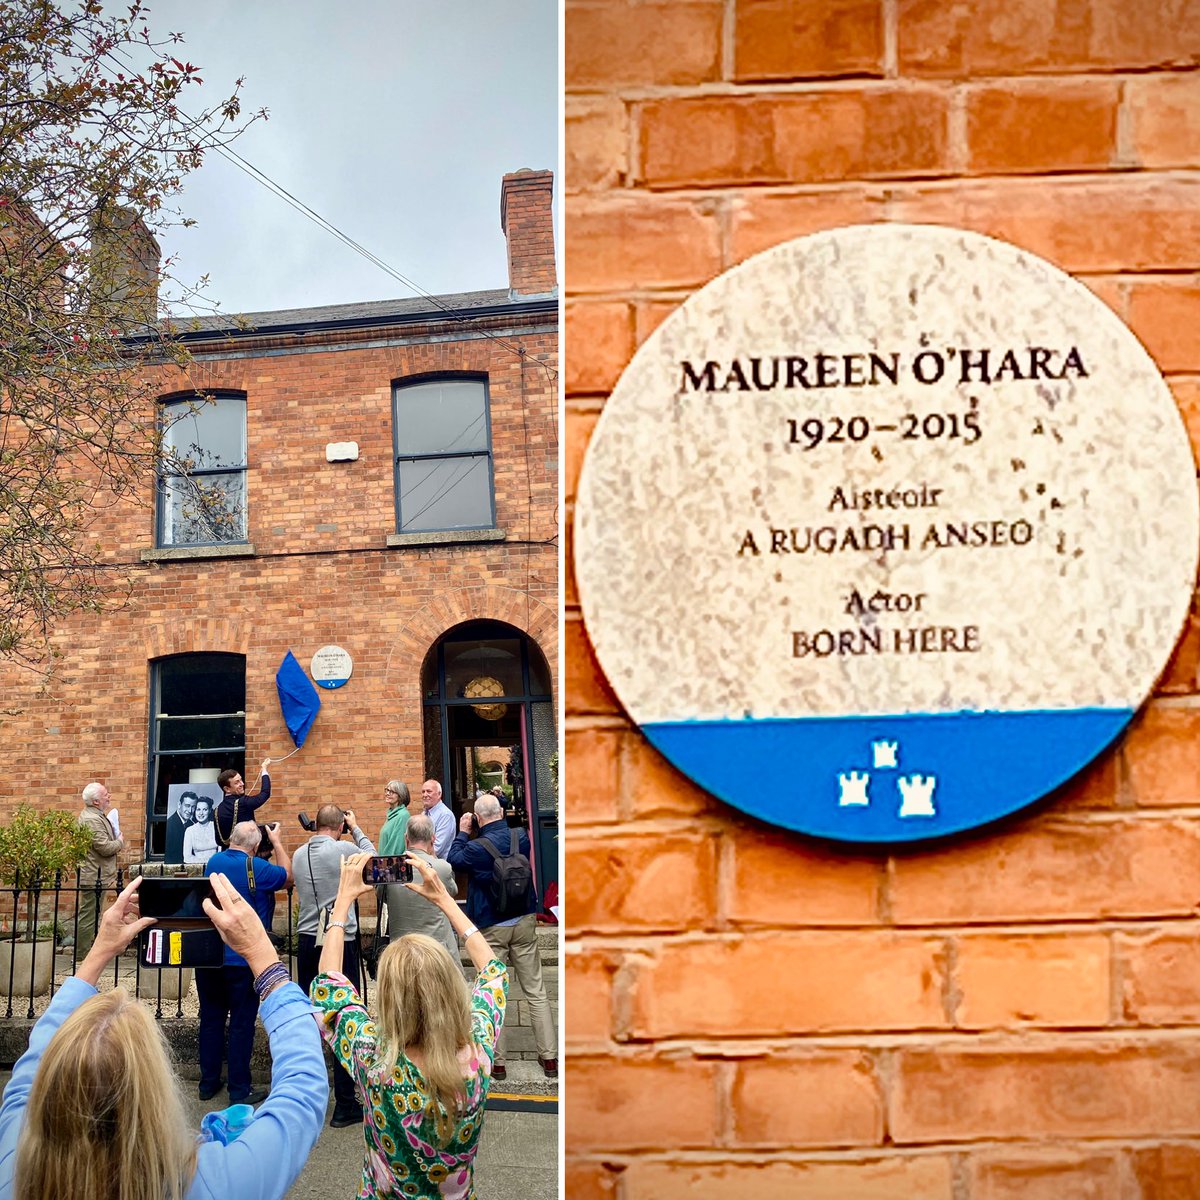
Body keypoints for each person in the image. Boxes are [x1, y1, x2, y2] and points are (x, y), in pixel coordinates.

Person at [0, 871, 327, 1200]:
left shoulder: (12, 1159)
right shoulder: (214, 1184)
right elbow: (301, 1094)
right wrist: (261, 953)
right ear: (155, 1087)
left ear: (49, 1087)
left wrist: (99, 951)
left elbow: (32, 1064)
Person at [310, 851, 507, 1199]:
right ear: (451, 988)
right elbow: (494, 974)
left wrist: (342, 903)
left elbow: (328, 987)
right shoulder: (478, 1052)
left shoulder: (373, 1058)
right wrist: (445, 900)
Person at [448, 793, 557, 1079]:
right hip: (524, 921)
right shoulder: (522, 837)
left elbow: (453, 859)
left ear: (478, 818)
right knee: (536, 990)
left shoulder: (475, 848)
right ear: (501, 812)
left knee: (495, 992)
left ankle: (498, 1063)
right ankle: (549, 1058)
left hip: (492, 926)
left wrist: (463, 831)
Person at [197, 820, 293, 1105]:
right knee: (241, 1023)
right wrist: (277, 841)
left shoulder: (214, 862)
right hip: (242, 959)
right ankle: (239, 1089)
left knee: (211, 1019)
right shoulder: (258, 868)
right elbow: (288, 877)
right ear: (256, 844)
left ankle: (208, 1083)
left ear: (231, 839)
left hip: (211, 955)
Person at [292, 804, 375, 1128]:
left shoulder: (298, 854)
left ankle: (306, 1096)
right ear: (339, 826)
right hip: (338, 939)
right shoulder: (343, 849)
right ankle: (345, 1103)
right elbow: (375, 859)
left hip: (306, 940)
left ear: (316, 824)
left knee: (311, 1017)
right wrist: (356, 828)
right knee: (343, 1017)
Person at [385, 814, 458, 959]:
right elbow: (451, 892)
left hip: (401, 952)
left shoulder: (390, 869)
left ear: (406, 838)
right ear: (433, 838)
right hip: (437, 950)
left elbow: (383, 897)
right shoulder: (442, 868)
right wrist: (434, 857)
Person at [76, 782, 124, 955]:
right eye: (105, 794)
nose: (109, 796)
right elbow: (104, 848)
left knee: (93, 915)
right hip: (93, 875)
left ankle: (90, 953)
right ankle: (82, 956)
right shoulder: (92, 819)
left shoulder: (95, 815)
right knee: (89, 917)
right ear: (96, 801)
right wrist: (119, 841)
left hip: (97, 873)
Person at [214, 760, 272, 846]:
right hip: (245, 851)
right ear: (227, 789)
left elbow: (218, 841)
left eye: (241, 780)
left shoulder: (216, 810)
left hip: (226, 852)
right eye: (236, 782)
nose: (242, 784)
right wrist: (264, 769)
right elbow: (265, 793)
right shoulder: (243, 803)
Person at [376, 780, 412, 855]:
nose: (387, 793)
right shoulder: (391, 815)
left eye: (392, 791)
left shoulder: (403, 816)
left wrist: (384, 861)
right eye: (387, 790)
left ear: (400, 795)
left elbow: (397, 847)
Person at [421, 779, 455, 858]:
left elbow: (437, 849)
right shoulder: (424, 813)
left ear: (439, 794)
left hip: (437, 864)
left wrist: (417, 855)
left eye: (429, 791)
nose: (425, 795)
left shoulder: (445, 815)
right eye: (423, 792)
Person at [165, 790, 199, 862]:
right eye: (187, 806)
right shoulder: (169, 825)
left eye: (193, 807)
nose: (190, 810)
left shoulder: (191, 824)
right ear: (179, 805)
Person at [183, 797, 219, 865]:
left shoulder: (217, 827)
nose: (201, 813)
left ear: (209, 811)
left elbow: (221, 853)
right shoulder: (190, 831)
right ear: (195, 811)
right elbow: (187, 858)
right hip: (196, 867)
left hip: (216, 866)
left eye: (205, 809)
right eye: (198, 809)